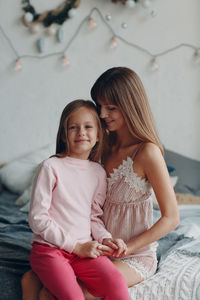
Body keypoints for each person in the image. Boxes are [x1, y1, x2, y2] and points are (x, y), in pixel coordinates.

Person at [22, 66, 180, 299]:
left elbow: (172, 218)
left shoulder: (147, 152)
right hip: (93, 247)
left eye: (112, 108)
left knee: (50, 294)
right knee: (30, 281)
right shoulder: (100, 147)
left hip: (131, 254)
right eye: (100, 106)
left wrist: (129, 247)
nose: (103, 114)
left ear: (130, 106)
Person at [23, 99, 131, 300]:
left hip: (84, 251)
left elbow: (94, 217)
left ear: (98, 135)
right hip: (50, 250)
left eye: (88, 127)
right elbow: (37, 218)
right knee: (73, 297)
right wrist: (76, 246)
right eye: (74, 127)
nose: (81, 132)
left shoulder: (98, 172)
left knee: (116, 282)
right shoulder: (50, 167)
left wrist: (105, 238)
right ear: (64, 135)